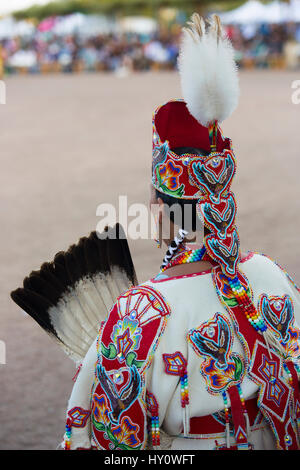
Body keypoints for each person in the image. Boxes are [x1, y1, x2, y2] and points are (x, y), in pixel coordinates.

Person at [11, 14, 300, 451]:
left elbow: (111, 447)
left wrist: (106, 357)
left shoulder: (140, 314)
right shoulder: (274, 277)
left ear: (163, 208)